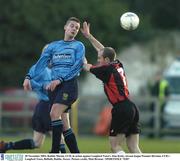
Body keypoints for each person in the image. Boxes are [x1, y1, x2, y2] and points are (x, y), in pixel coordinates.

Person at [23, 17, 85, 153]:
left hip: (68, 85)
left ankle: (54, 152)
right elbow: (41, 64)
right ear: (65, 27)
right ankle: (77, 155)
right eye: (72, 26)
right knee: (65, 126)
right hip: (55, 89)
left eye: (77, 28)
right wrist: (28, 76)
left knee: (53, 113)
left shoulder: (78, 46)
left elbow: (77, 66)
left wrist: (60, 79)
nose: (74, 29)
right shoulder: (53, 46)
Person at [81, 22, 141, 153]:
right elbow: (103, 50)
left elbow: (86, 66)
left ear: (107, 60)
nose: (98, 60)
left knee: (115, 146)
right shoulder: (117, 64)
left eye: (99, 58)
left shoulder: (105, 70)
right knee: (133, 147)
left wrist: (79, 55)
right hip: (131, 107)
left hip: (121, 109)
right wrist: (89, 36)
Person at [0, 65, 66, 153]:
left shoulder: (46, 70)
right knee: (59, 139)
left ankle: (6, 146)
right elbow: (44, 87)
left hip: (41, 107)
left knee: (37, 142)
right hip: (47, 107)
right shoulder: (44, 71)